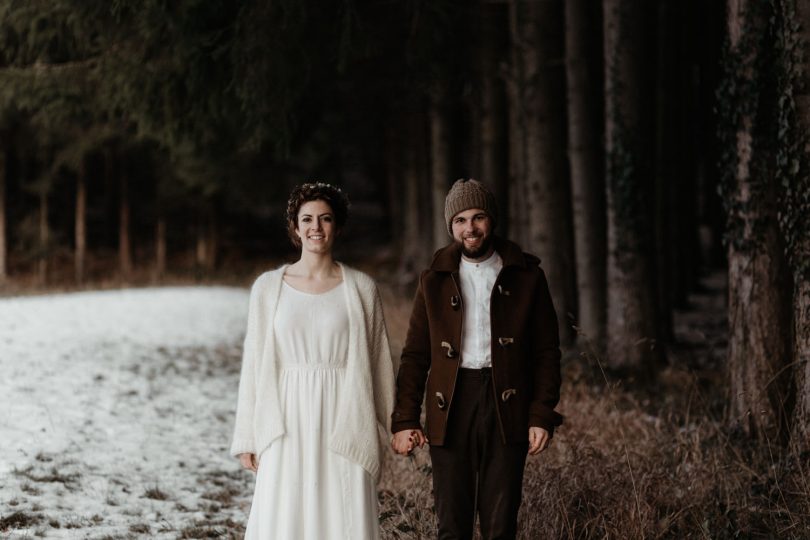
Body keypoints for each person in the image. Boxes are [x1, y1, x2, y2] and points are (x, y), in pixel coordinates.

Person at [390, 178, 563, 539]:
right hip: (452, 402)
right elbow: (415, 356)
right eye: (460, 220)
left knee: (501, 525)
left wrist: (541, 414)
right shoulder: (433, 280)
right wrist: (405, 418)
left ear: (491, 219)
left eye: (478, 217)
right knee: (452, 524)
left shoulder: (528, 276)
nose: (470, 228)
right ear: (451, 226)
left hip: (507, 402)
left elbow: (546, 352)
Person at [231, 182, 395, 540]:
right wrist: (247, 436)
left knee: (343, 513)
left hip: (344, 412)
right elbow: (255, 364)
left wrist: (398, 423)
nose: (316, 227)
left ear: (338, 226)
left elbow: (380, 360)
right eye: (307, 219)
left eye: (325, 219)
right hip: (285, 416)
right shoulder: (267, 287)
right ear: (294, 226)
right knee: (285, 514)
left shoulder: (361, 288)